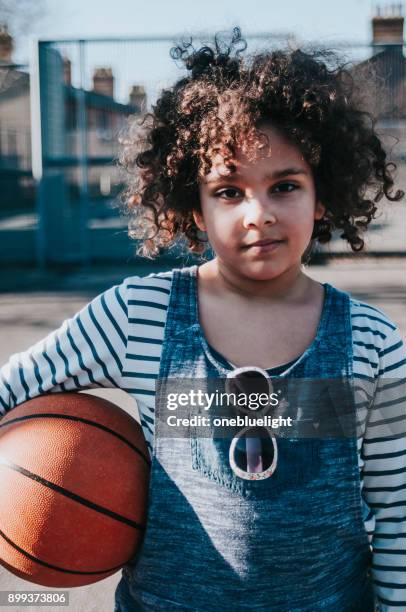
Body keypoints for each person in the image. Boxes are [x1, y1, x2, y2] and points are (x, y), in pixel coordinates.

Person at [1, 28, 405, 611]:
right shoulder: (138, 315)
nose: (257, 214)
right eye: (229, 191)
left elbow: (397, 511)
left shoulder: (370, 342)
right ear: (194, 206)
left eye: (285, 186)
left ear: (322, 197)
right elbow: (13, 388)